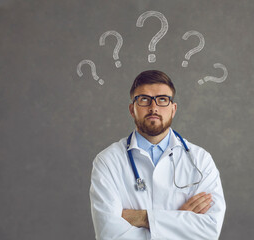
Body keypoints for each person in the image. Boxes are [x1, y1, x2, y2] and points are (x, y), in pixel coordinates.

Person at [89, 70, 226, 239]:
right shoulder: (107, 161)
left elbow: (209, 231)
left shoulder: (201, 160)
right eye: (144, 100)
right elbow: (109, 234)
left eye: (162, 99)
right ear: (132, 109)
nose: (153, 108)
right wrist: (179, 219)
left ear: (173, 109)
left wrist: (144, 218)